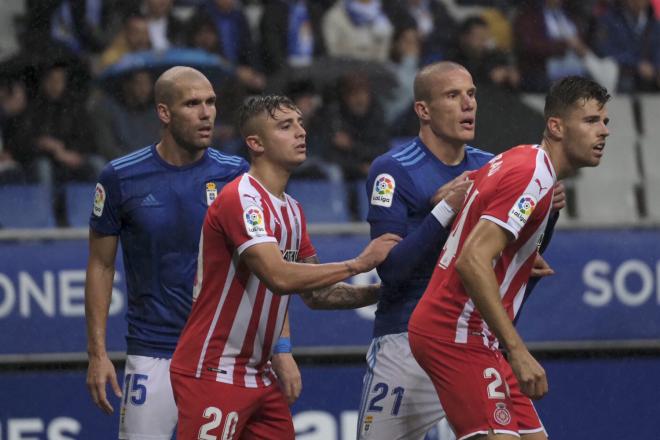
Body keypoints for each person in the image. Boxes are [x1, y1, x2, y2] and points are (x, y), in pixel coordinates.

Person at [169, 95, 400, 439]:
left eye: (300, 123)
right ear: (255, 143)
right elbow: (278, 276)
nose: (300, 132)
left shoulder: (292, 209)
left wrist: (385, 292)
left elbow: (318, 295)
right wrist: (358, 263)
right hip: (214, 370)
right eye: (285, 126)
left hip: (259, 374)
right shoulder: (241, 199)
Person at [356, 61, 564, 440]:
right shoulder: (392, 170)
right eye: (453, 96)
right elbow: (392, 271)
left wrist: (546, 216)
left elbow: (520, 260)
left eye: (471, 94)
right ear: (423, 110)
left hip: (471, 340)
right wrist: (446, 208)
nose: (468, 104)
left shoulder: (493, 166)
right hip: (404, 338)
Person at [409, 75, 610, 440]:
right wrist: (517, 351)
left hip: (475, 333)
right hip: (454, 330)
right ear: (556, 126)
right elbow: (472, 259)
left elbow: (471, 220)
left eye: (605, 122)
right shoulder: (531, 173)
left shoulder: (517, 160)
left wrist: (516, 258)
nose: (604, 132)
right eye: (591, 121)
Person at [84, 66, 252, 440]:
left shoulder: (237, 175)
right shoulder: (119, 178)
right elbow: (100, 264)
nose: (206, 113)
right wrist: (97, 353)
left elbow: (260, 267)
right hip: (152, 351)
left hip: (221, 354)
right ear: (164, 113)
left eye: (210, 102)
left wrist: (281, 348)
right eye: (193, 104)